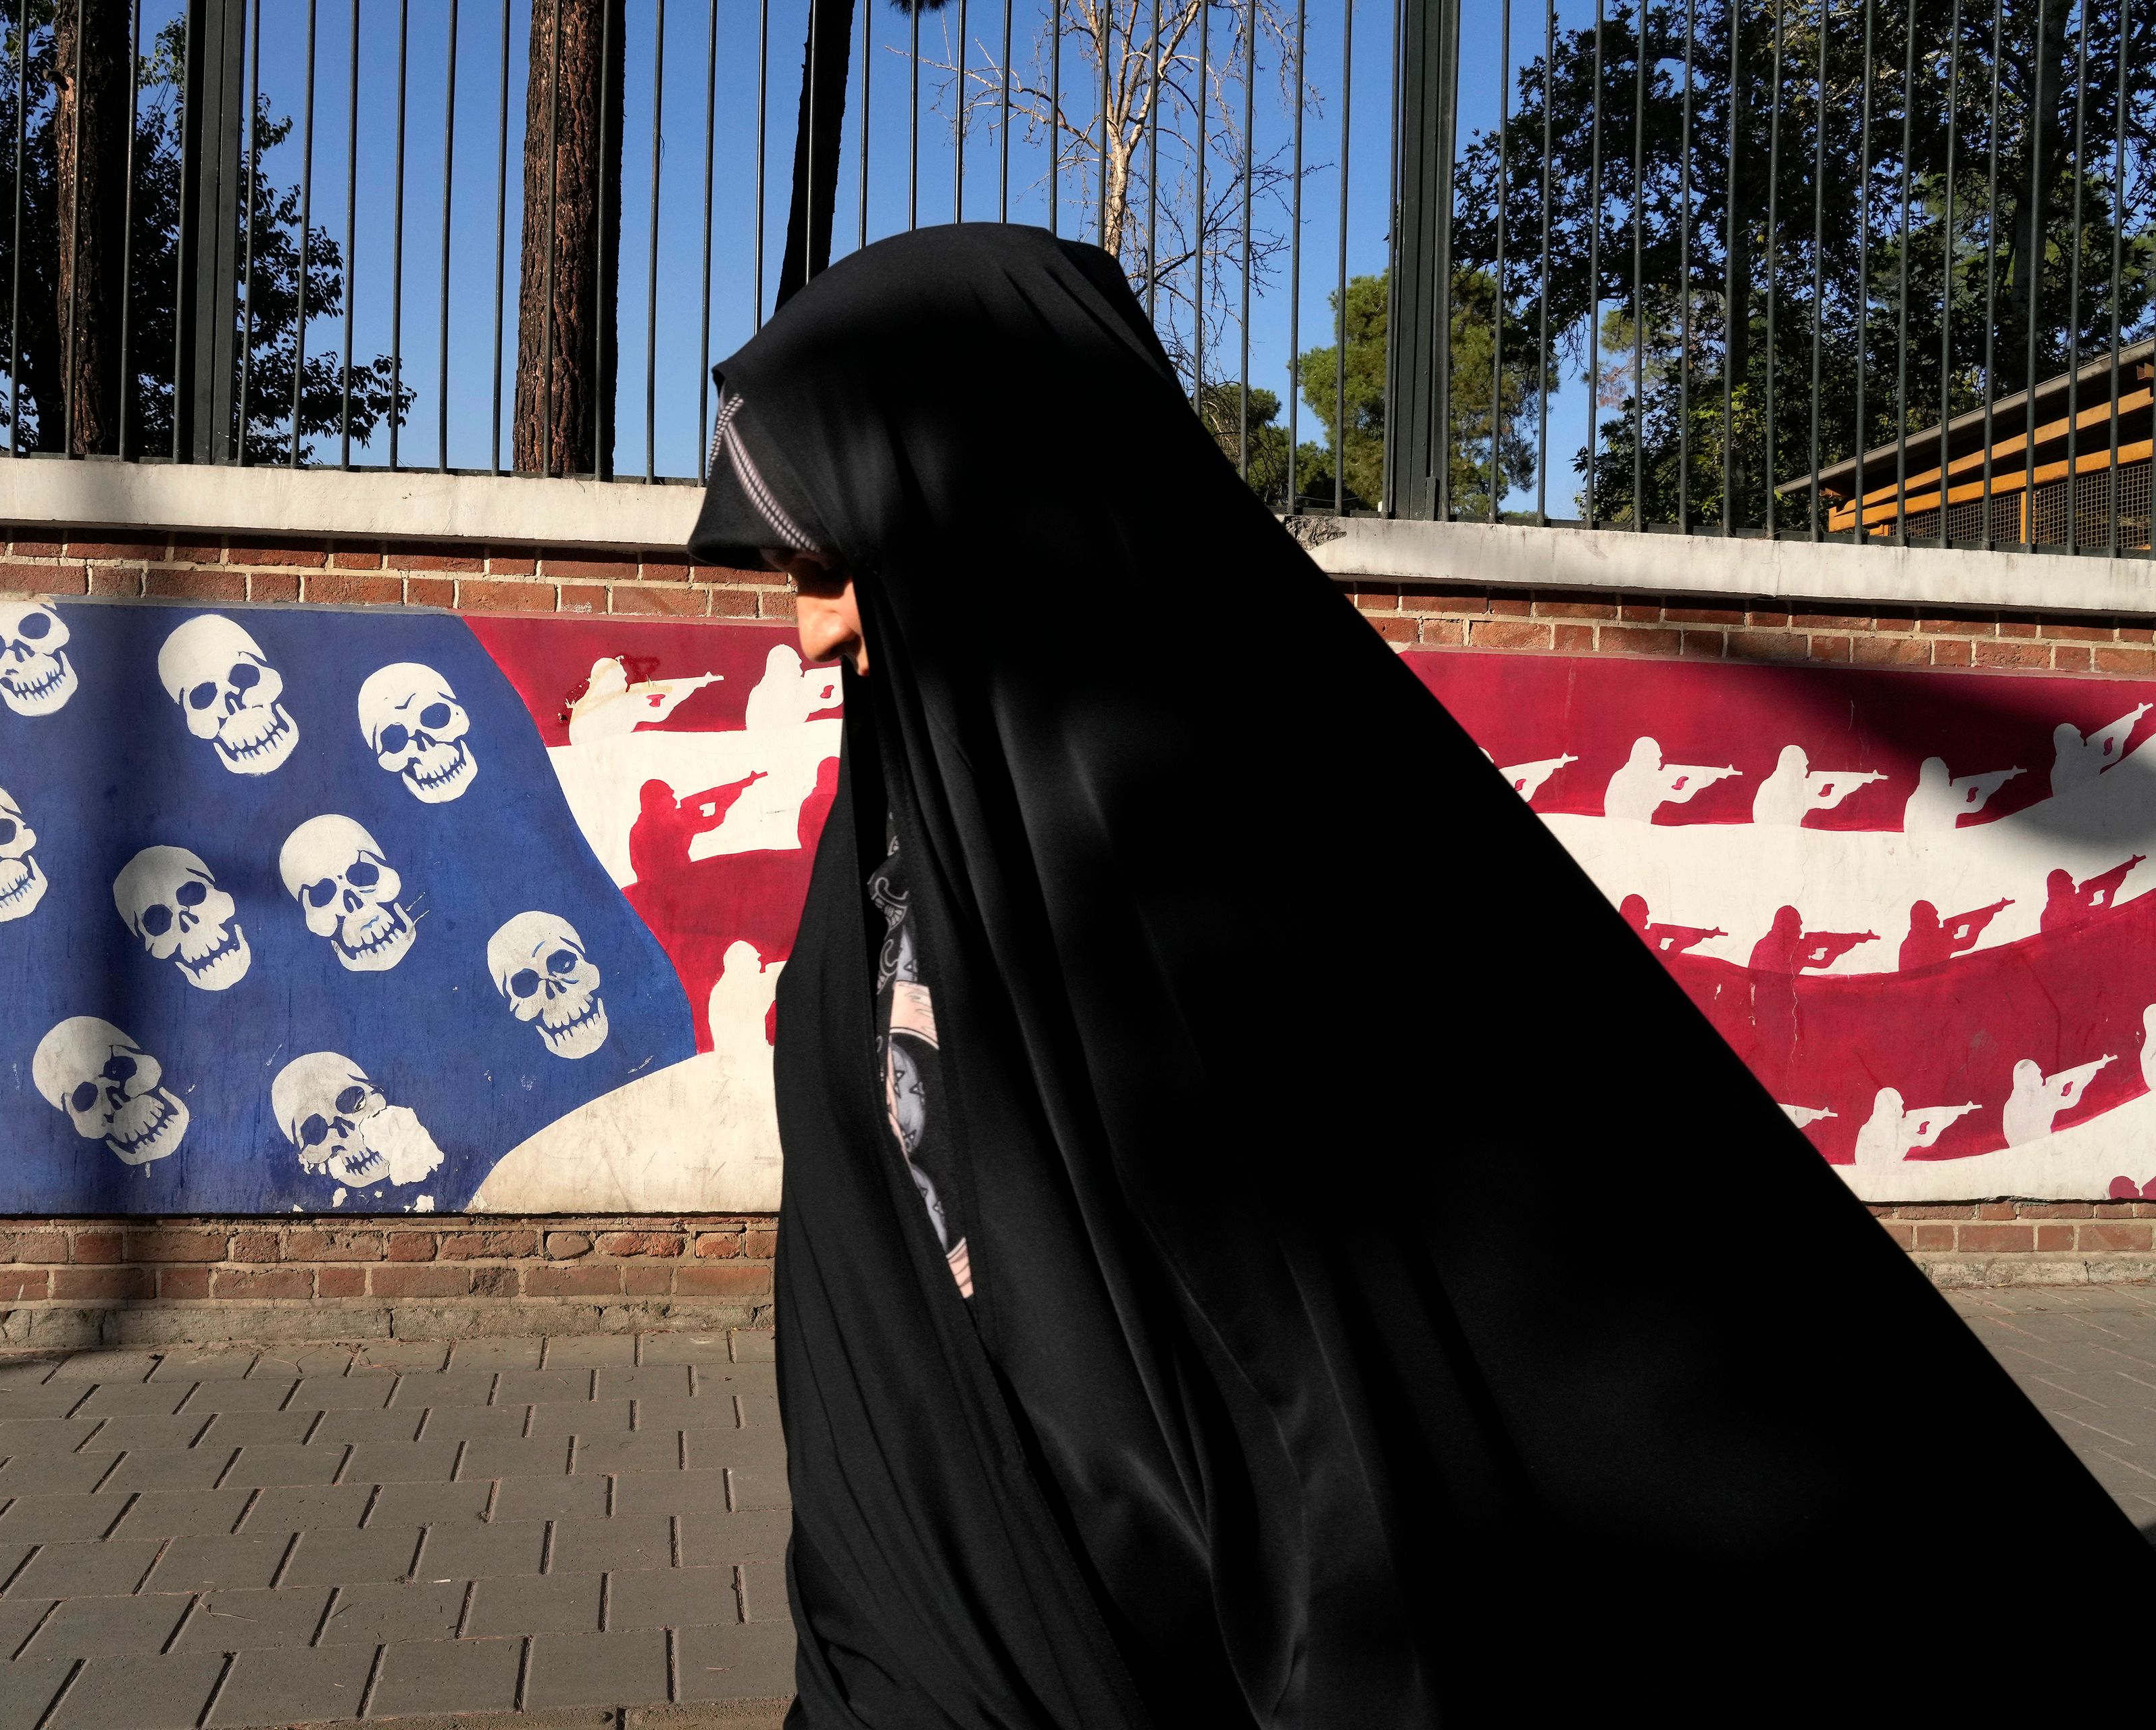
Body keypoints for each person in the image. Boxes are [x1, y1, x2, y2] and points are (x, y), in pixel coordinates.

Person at [686, 224, 2156, 1728]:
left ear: (969, 508)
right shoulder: (896, 832)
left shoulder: (1285, 838)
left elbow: (1372, 1366)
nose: (808, 635)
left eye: (830, 567)